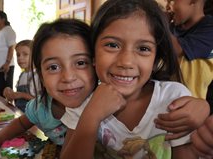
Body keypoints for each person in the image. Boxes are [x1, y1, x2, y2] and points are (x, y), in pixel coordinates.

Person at [60, 0, 206, 158]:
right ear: (92, 55)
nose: (126, 62)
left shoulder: (173, 100)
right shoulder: (83, 100)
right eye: (112, 45)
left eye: (143, 48)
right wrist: (91, 116)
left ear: (156, 59)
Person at [0, 18, 97, 159]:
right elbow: (20, 122)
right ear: (41, 76)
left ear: (96, 65)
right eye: (53, 67)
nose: (68, 77)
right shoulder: (42, 107)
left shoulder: (106, 109)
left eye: (81, 63)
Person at [166, 0, 213, 103]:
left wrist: (160, 22)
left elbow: (176, 49)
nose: (168, 7)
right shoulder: (171, 29)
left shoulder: (209, 28)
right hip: (163, 99)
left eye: (172, 1)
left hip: (190, 106)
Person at [3, 40, 41, 112]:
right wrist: (10, 93)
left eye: (25, 54)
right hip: (20, 112)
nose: (20, 58)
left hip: (34, 116)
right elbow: (16, 98)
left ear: (35, 56)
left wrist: (22, 95)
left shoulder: (37, 76)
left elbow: (41, 102)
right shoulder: (22, 75)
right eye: (18, 55)